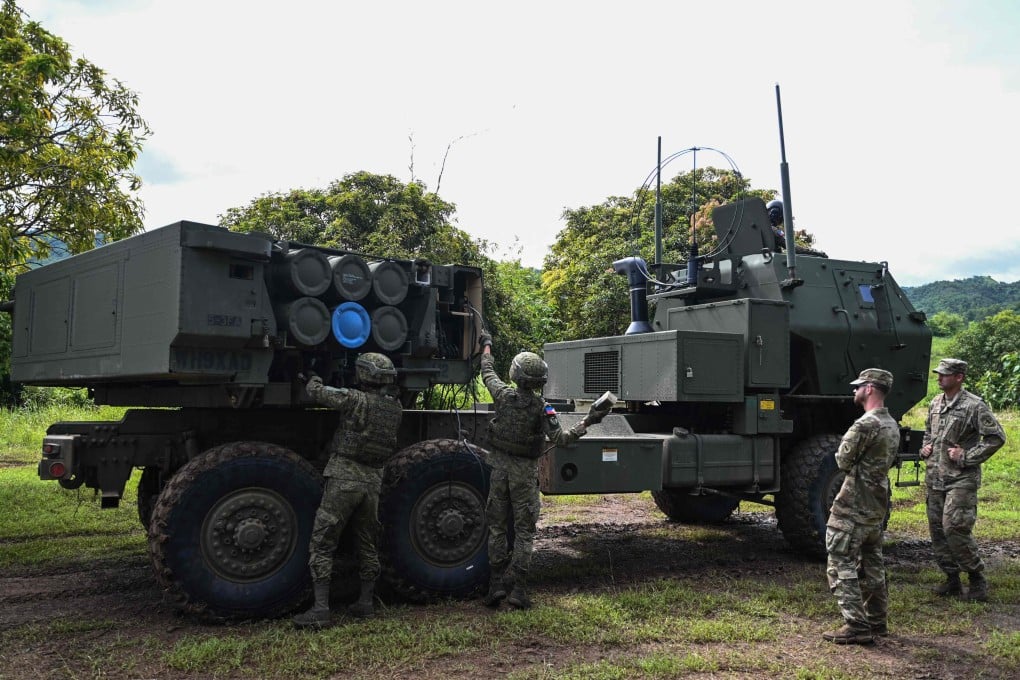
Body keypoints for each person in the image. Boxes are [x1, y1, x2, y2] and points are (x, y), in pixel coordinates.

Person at [478, 331, 613, 609]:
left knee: (497, 528)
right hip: (525, 476)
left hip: (499, 471)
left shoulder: (502, 395)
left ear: (515, 374)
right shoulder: (543, 409)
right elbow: (561, 440)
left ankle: (494, 587)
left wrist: (487, 344)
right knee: (525, 532)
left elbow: (487, 369)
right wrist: (589, 420)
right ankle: (517, 590)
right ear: (540, 381)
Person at [292, 353, 403, 629]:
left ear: (363, 375)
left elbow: (317, 392)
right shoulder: (395, 408)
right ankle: (365, 603)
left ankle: (320, 610)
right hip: (372, 481)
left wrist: (313, 376)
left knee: (323, 541)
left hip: (344, 477)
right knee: (367, 543)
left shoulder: (354, 399)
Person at [822, 368, 900, 645]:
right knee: (872, 562)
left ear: (869, 389)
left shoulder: (865, 425)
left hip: (854, 504)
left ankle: (856, 624)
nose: (854, 391)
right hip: (876, 503)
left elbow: (843, 461)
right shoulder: (891, 424)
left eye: (858, 387)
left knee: (840, 560)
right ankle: (877, 621)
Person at [920, 358, 1006, 602]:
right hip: (935, 477)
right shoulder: (936, 403)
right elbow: (929, 431)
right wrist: (925, 447)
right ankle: (952, 579)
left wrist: (966, 456)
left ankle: (977, 579)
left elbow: (996, 438)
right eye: (938, 373)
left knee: (955, 528)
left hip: (961, 479)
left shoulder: (974, 405)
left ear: (959, 377)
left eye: (945, 374)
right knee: (937, 530)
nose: (939, 377)